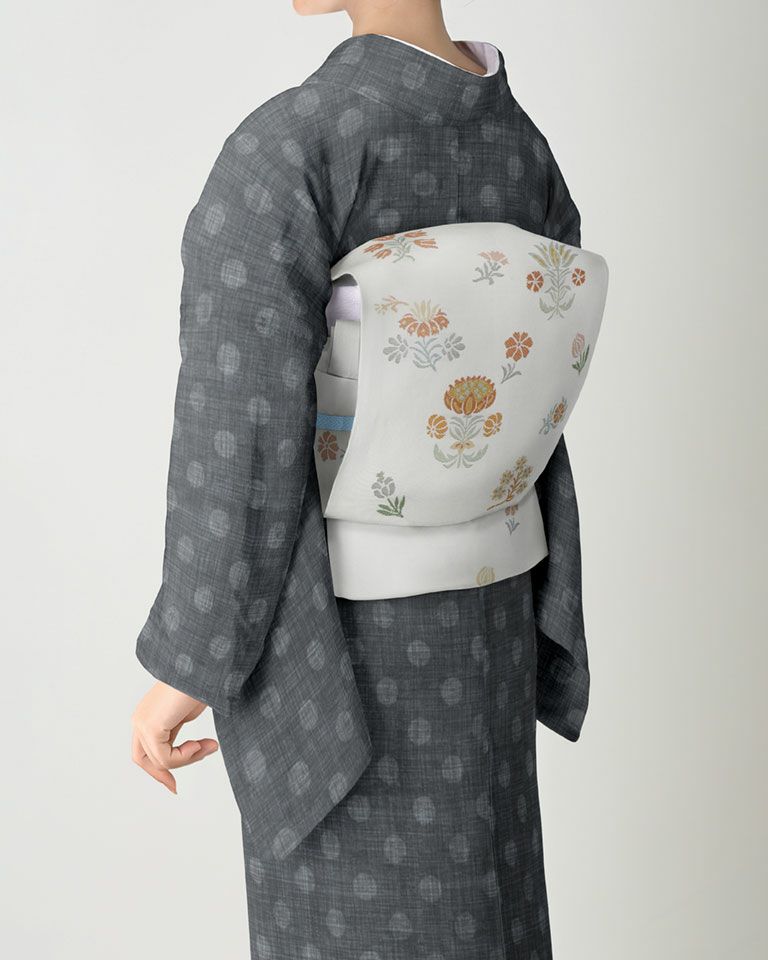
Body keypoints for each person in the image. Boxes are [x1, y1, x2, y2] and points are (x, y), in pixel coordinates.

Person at [131, 2, 598, 957]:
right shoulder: (521, 149)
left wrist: (192, 661)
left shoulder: (292, 148)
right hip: (492, 615)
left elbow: (241, 428)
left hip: (340, 649)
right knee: (486, 904)